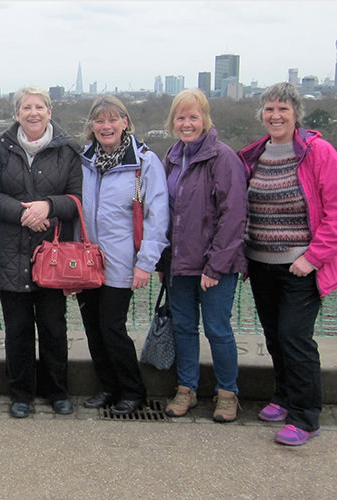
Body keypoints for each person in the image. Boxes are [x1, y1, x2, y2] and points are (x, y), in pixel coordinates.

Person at [238, 82, 337, 445]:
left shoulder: (319, 152)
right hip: (261, 262)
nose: (275, 116)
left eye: (283, 109)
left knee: (296, 338)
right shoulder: (256, 154)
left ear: (296, 114)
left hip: (301, 266)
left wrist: (312, 259)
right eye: (269, 109)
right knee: (275, 336)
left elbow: (334, 212)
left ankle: (306, 417)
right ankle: (282, 396)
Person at [0, 86, 83, 418]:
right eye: (26, 107)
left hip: (53, 255)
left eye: (39, 106)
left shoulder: (68, 150)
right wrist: (24, 214)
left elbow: (76, 199)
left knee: (54, 328)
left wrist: (47, 207)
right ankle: (20, 393)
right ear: (17, 114)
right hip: (12, 253)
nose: (33, 112)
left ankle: (57, 391)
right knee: (18, 330)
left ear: (50, 111)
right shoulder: (0, 147)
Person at [77, 96, 169, 416]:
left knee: (112, 327)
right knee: (92, 327)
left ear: (125, 123)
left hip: (121, 261)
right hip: (87, 262)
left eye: (113, 120)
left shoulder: (144, 162)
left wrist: (145, 263)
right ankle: (107, 387)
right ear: (92, 126)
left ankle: (133, 390)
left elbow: (158, 216)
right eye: (100, 121)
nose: (106, 126)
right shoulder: (84, 161)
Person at [161, 88, 247, 423]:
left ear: (205, 118)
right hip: (179, 263)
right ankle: (186, 389)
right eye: (180, 117)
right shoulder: (172, 156)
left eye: (193, 116)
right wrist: (162, 262)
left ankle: (227, 393)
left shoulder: (223, 158)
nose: (187, 123)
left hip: (214, 265)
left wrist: (216, 265)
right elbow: (166, 213)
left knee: (217, 328)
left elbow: (234, 215)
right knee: (183, 327)